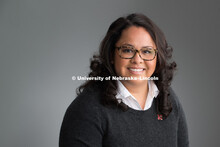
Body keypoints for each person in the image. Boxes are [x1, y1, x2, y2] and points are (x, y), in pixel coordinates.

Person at [59, 13, 189, 147]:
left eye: (147, 51)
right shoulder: (87, 110)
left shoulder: (168, 99)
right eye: (127, 50)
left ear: (158, 57)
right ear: (111, 55)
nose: (137, 60)